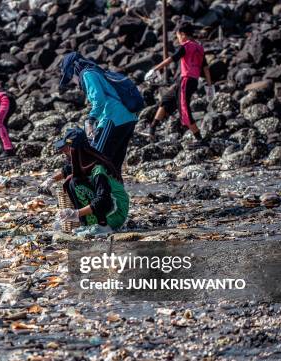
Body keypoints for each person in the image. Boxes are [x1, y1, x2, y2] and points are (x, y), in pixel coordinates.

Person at [59, 52, 138, 180]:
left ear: (74, 68)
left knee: (98, 159)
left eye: (69, 76)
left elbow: (99, 100)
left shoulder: (86, 74)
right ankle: (119, 197)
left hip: (113, 119)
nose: (73, 81)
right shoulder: (97, 71)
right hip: (129, 118)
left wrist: (90, 120)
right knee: (115, 163)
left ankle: (101, 196)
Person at [41, 128, 129, 234]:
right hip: (109, 205)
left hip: (116, 211)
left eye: (66, 148)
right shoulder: (85, 162)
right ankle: (88, 224)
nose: (62, 151)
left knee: (76, 183)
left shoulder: (98, 169)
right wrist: (50, 180)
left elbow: (103, 199)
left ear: (74, 149)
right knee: (72, 181)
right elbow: (68, 170)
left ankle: (104, 225)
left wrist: (76, 213)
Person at [144, 22, 214, 142]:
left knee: (184, 111)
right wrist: (209, 86)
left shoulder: (186, 46)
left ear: (183, 34)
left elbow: (170, 59)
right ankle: (152, 129)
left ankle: (200, 140)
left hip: (186, 81)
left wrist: (155, 70)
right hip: (190, 82)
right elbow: (206, 69)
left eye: (178, 36)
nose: (178, 39)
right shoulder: (200, 48)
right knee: (166, 100)